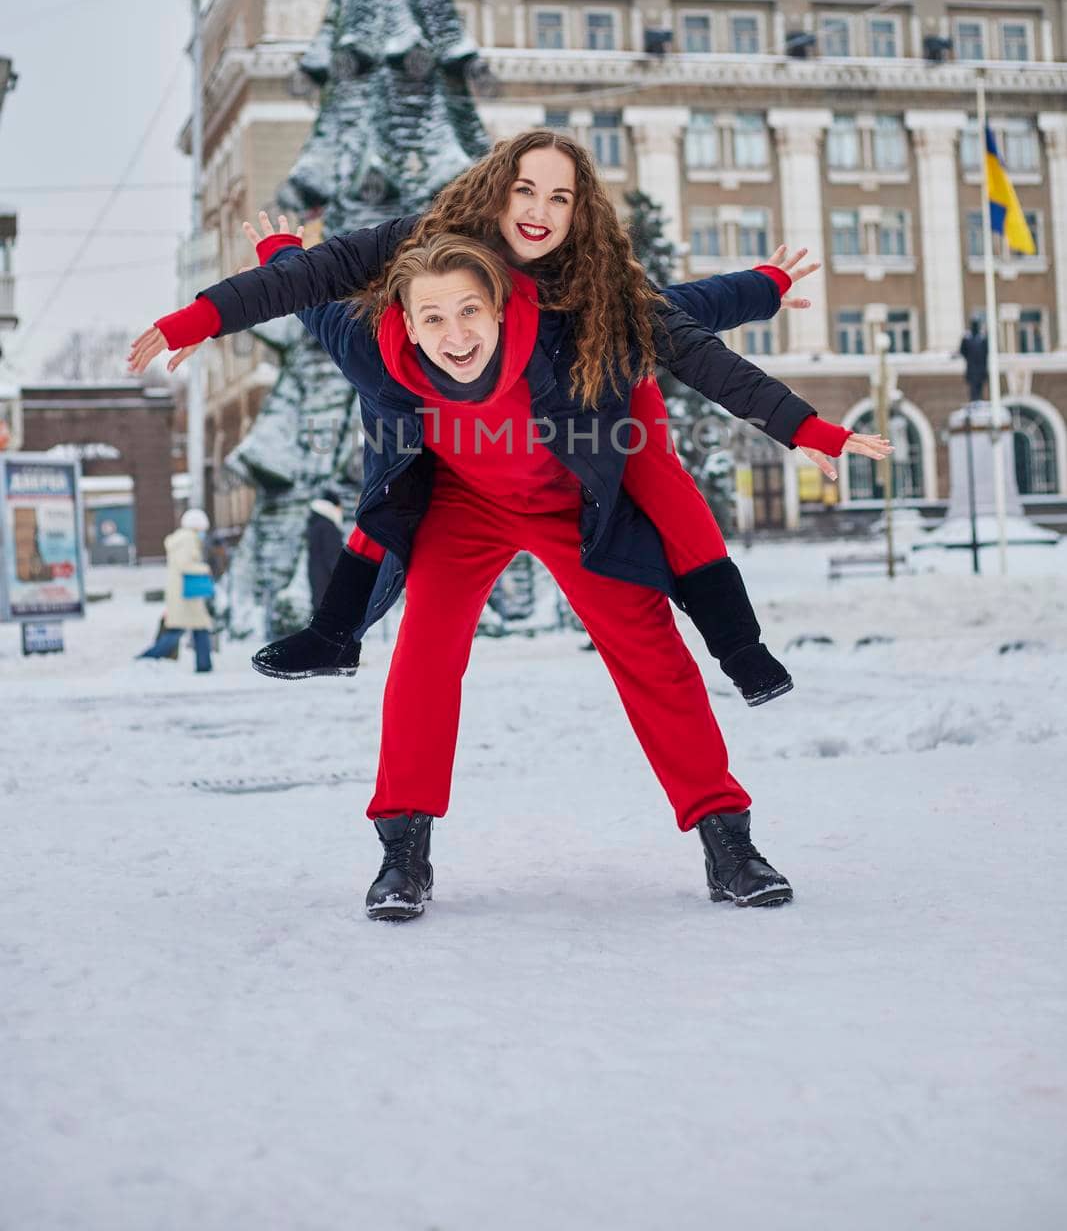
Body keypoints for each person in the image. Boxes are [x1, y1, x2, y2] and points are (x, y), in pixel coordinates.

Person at [132, 226, 890, 921]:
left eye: (469, 311)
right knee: (424, 658)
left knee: (653, 655)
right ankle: (403, 853)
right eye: (431, 318)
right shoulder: (375, 344)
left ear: (502, 306)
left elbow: (681, 315)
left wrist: (764, 285)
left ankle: (728, 842)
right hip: (462, 507)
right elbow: (309, 297)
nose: (452, 334)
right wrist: (277, 251)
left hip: (576, 503)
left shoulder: (570, 331)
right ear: (404, 317)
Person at [131, 132, 887, 704]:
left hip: (590, 391)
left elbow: (685, 328)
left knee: (657, 470)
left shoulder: (593, 283)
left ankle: (737, 647)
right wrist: (209, 308)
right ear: (496, 189)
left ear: (578, 211)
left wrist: (797, 397)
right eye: (526, 190)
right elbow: (317, 287)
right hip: (461, 434)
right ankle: (334, 635)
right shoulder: (416, 259)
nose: (538, 211)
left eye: (560, 198)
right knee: (392, 489)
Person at [137, 508, 214, 673]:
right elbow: (184, 564)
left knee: (190, 628)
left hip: (185, 593)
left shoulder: (185, 538)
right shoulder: (187, 539)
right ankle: (147, 658)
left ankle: (204, 665)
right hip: (185, 594)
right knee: (184, 629)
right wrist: (204, 568)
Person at [306, 488, 344, 612]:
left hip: (318, 584)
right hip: (327, 587)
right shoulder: (328, 527)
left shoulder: (317, 523)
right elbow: (334, 558)